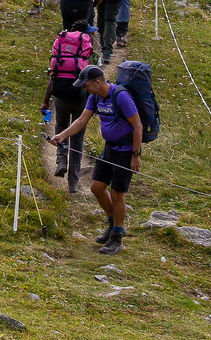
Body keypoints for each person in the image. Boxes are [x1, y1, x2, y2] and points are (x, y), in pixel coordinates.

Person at [49, 65, 143, 254]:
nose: (84, 89)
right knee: (97, 187)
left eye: (86, 85)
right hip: (109, 149)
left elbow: (138, 125)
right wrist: (62, 135)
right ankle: (114, 224)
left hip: (125, 152)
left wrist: (135, 155)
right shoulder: (95, 97)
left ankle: (117, 237)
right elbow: (81, 121)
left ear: (97, 82)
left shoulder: (121, 96)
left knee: (117, 194)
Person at [40, 22, 93, 192]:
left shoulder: (61, 47)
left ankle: (61, 161)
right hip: (80, 97)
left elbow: (52, 77)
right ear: (85, 34)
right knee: (77, 140)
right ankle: (73, 182)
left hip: (61, 96)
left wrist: (45, 101)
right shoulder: (86, 52)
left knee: (61, 127)